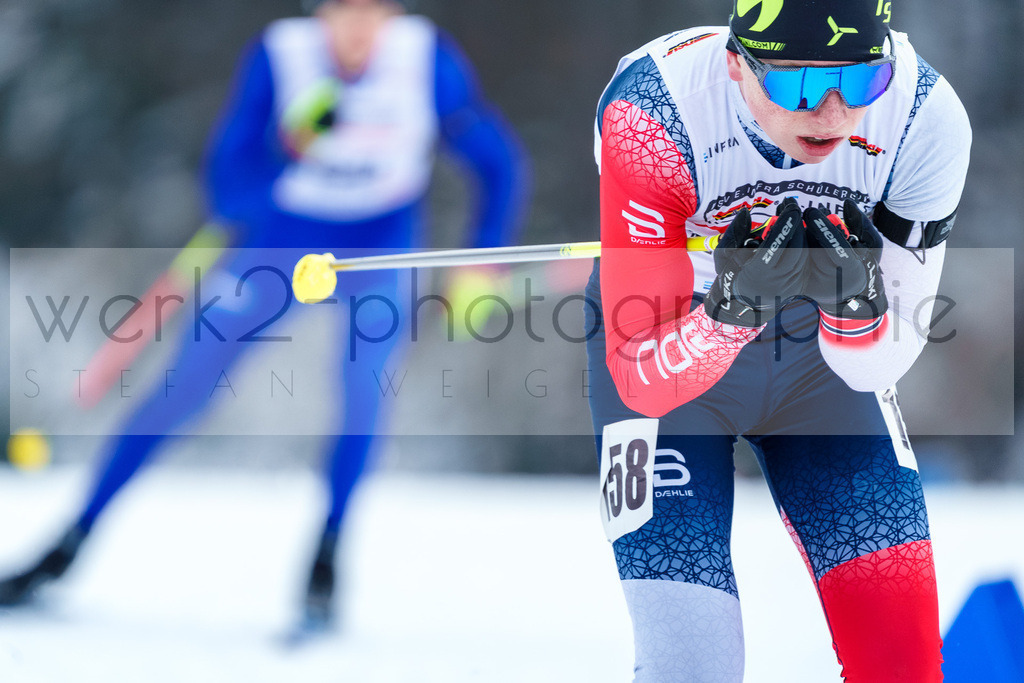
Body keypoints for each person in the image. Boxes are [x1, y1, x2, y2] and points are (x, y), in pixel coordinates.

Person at [0, 0, 529, 630]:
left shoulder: (426, 62)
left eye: (374, 12)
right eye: (344, 11)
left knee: (365, 394)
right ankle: (71, 541)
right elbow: (228, 184)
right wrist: (291, 141)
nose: (359, 29)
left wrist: (482, 261)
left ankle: (327, 558)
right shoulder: (282, 57)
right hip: (278, 245)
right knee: (180, 388)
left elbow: (498, 164)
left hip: (378, 251)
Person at [585, 0, 968, 680]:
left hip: (823, 367)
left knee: (902, 663)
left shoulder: (923, 116)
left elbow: (884, 359)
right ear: (737, 65)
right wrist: (733, 312)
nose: (830, 113)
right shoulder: (653, 112)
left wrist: (854, 310)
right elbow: (638, 373)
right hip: (678, 343)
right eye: (797, 84)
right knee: (691, 667)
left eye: (857, 82)